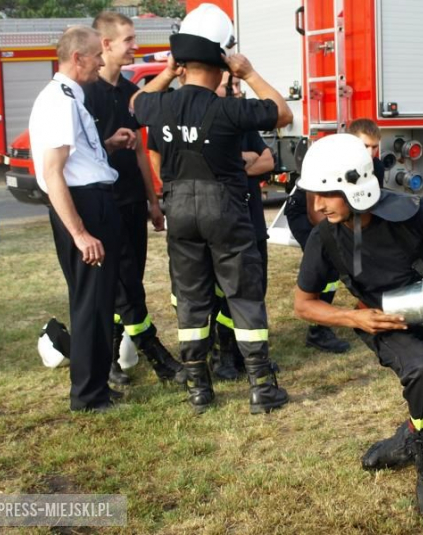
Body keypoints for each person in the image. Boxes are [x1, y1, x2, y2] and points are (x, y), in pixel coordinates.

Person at [293, 134, 423, 519]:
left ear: (356, 187)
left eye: (327, 193)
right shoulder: (324, 237)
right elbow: (303, 304)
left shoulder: (411, 212)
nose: (317, 205)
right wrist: (355, 317)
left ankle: (409, 440)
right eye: (314, 194)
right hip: (379, 323)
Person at [129, 3, 293, 414]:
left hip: (179, 209)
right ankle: (261, 387)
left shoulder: (161, 105)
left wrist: (169, 70)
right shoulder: (228, 108)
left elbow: (136, 103)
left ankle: (199, 390)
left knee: (191, 298)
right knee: (243, 294)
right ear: (223, 62)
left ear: (183, 62)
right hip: (226, 209)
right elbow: (283, 112)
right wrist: (249, 73)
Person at [29, 26, 133, 412]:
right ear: (77, 58)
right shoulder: (58, 100)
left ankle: (96, 387)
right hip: (84, 207)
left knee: (98, 299)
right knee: (90, 302)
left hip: (92, 200)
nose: (102, 61)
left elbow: (75, 161)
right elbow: (54, 172)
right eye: (95, 55)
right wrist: (79, 232)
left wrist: (106, 145)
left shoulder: (69, 97)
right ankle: (89, 396)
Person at [85, 12, 186, 387]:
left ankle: (109, 359)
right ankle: (156, 355)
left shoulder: (128, 92)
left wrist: (153, 200)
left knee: (126, 282)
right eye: (128, 40)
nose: (135, 46)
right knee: (125, 283)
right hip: (102, 204)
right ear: (106, 45)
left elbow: (142, 151)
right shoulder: (86, 93)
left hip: (131, 203)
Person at [284, 118, 385, 354]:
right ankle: (318, 330)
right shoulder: (329, 163)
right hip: (307, 215)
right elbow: (314, 212)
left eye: (374, 147)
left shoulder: (374, 167)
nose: (370, 153)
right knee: (328, 267)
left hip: (339, 217)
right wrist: (339, 241)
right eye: (364, 146)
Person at [210, 71, 274, 381]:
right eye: (229, 85)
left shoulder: (243, 122)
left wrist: (240, 161)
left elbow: (268, 162)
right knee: (226, 294)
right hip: (225, 222)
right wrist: (244, 160)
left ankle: (252, 354)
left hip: (253, 221)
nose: (236, 90)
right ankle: (225, 356)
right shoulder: (211, 123)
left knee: (256, 290)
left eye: (237, 85)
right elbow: (212, 163)